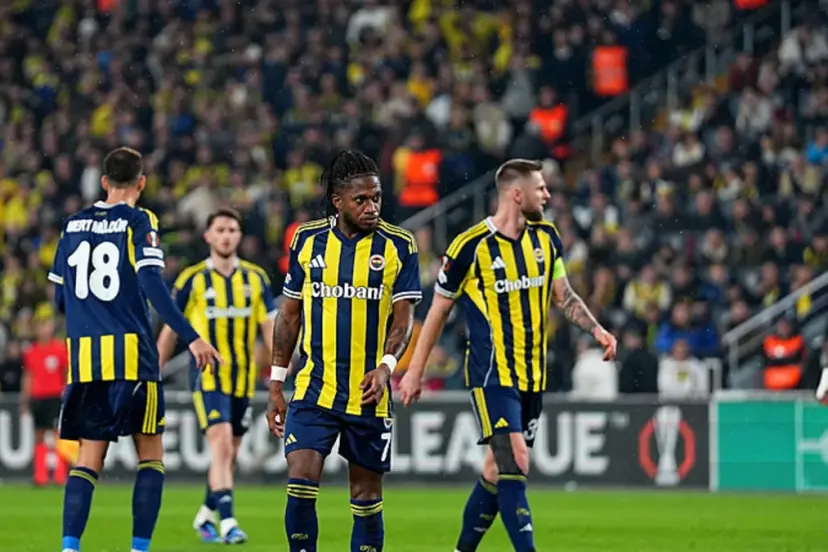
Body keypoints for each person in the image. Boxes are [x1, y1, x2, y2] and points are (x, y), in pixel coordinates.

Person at [399, 158, 617, 552]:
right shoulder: (469, 246)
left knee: (495, 471)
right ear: (517, 194)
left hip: (533, 375)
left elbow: (564, 296)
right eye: (540, 188)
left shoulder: (547, 238)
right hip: (492, 374)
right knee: (516, 461)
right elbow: (438, 311)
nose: (547, 195)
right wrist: (415, 371)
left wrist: (597, 329)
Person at [50, 147, 221, 552]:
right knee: (150, 455)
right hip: (132, 357)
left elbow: (59, 299)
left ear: (104, 181)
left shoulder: (72, 225)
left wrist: (90, 315)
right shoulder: (139, 220)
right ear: (141, 183)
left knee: (88, 460)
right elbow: (152, 285)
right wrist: (192, 336)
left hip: (86, 359)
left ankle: (70, 547)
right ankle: (139, 549)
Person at [266, 150, 422, 552]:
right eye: (361, 200)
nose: (372, 208)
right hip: (315, 388)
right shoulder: (307, 240)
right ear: (338, 202)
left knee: (366, 498)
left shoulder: (399, 245)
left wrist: (386, 366)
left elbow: (403, 319)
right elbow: (289, 316)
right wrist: (276, 384)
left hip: (369, 393)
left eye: (377, 198)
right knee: (300, 480)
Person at [157, 207, 276, 544]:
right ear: (208, 236)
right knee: (222, 447)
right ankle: (229, 523)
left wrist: (281, 368)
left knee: (229, 455)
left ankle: (206, 515)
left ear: (239, 236)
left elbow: (269, 327)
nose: (226, 236)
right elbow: (171, 328)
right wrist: (155, 370)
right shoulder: (192, 279)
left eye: (231, 230)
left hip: (244, 380)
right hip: (208, 378)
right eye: (220, 230)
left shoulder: (256, 279)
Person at [20, 309, 68, 486]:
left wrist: (68, 393)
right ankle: (40, 475)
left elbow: (66, 372)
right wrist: (25, 399)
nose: (44, 330)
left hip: (55, 396)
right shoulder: (31, 351)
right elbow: (28, 376)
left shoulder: (60, 348)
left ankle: (60, 474)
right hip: (38, 397)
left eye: (47, 326)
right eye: (41, 326)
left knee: (58, 435)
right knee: (39, 435)